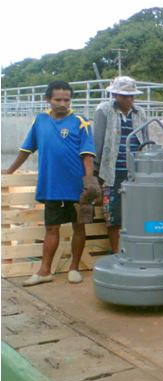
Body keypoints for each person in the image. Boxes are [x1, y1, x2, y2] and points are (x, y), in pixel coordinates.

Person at [3, 81, 100, 286]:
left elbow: (87, 155)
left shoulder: (81, 122)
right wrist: (10, 170)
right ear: (48, 99)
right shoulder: (40, 121)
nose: (63, 104)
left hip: (78, 187)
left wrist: (89, 182)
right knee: (51, 229)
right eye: (58, 100)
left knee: (79, 227)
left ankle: (74, 268)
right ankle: (44, 271)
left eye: (67, 100)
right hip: (52, 186)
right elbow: (27, 149)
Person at [93, 76, 148, 253]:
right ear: (115, 95)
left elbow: (146, 140)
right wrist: (95, 173)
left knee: (137, 214)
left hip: (136, 172)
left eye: (131, 96)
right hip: (111, 172)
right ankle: (117, 254)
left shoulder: (140, 113)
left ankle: (135, 252)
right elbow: (98, 141)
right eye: (124, 96)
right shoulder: (104, 110)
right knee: (114, 216)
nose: (129, 99)